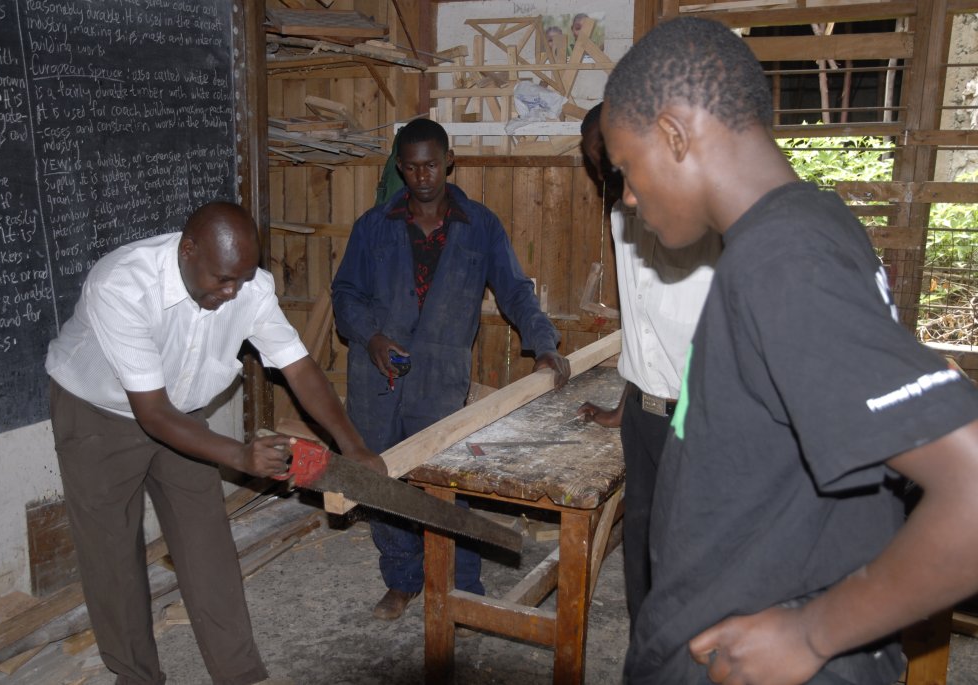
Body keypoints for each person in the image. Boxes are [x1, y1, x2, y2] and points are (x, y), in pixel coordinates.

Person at [601, 16, 978, 685]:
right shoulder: (810, 226)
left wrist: (813, 632)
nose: (629, 196)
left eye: (627, 168)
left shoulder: (784, 258)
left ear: (675, 135)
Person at [46, 201, 385, 685]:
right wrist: (238, 456)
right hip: (98, 414)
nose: (231, 293)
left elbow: (299, 368)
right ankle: (136, 676)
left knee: (207, 541)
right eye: (221, 279)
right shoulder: (122, 283)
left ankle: (238, 673)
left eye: (241, 279)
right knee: (113, 553)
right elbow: (152, 413)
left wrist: (352, 446)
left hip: (180, 412)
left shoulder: (249, 287)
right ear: (187, 251)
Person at [332, 118, 571, 621]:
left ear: (448, 163)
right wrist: (372, 338)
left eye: (432, 165)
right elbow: (345, 295)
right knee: (381, 485)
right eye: (413, 166)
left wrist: (544, 342)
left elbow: (513, 291)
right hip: (375, 379)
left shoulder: (479, 225)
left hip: (440, 383)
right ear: (401, 166)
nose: (423, 176)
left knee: (445, 488)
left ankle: (464, 586)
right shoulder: (373, 226)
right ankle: (402, 580)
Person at [575, 103, 720, 632]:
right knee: (642, 550)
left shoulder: (713, 216)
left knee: (697, 559)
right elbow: (641, 324)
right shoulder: (620, 216)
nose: (609, 178)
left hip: (704, 422)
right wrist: (628, 401)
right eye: (597, 166)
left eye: (613, 161)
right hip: (644, 419)